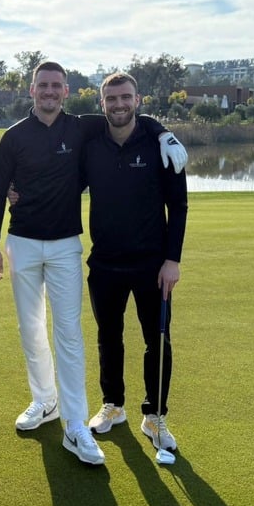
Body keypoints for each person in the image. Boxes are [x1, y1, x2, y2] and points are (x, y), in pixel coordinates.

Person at [0, 61, 186, 466]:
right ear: (32, 90)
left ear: (66, 91)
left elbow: (134, 120)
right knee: (58, 331)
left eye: (56, 85)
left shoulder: (89, 129)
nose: (49, 91)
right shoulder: (31, 137)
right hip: (54, 249)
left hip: (97, 252)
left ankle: (113, 421)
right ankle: (66, 402)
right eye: (43, 85)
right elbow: (3, 190)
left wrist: (162, 131)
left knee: (87, 335)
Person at [82, 72, 188, 457]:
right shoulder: (91, 142)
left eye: (125, 97)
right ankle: (113, 404)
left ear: (138, 99)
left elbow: (178, 206)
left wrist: (172, 260)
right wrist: (18, 191)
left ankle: (155, 415)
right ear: (102, 103)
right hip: (105, 263)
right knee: (108, 337)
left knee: (157, 340)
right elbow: (61, 181)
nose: (119, 104)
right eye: (112, 98)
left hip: (152, 265)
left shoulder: (161, 143)